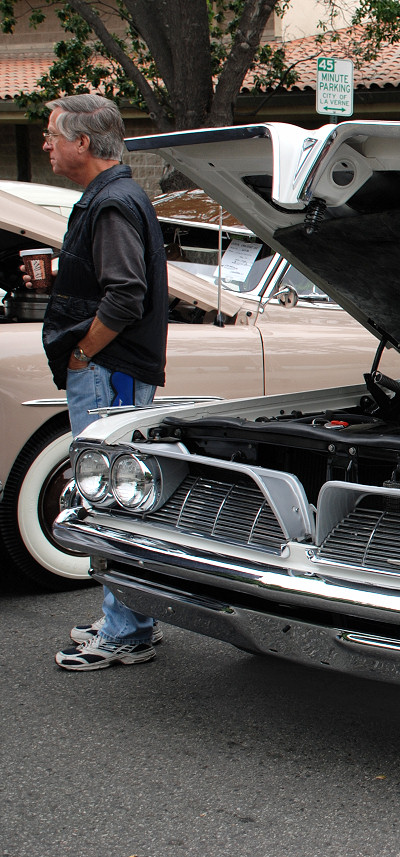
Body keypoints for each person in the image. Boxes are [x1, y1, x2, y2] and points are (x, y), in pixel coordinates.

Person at [32, 94, 169, 669]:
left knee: (109, 498)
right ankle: (130, 617)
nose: (45, 144)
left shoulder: (111, 203)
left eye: (52, 134)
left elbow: (125, 293)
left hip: (109, 371)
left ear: (82, 142)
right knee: (116, 494)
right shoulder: (116, 196)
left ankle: (125, 632)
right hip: (113, 369)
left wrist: (83, 354)